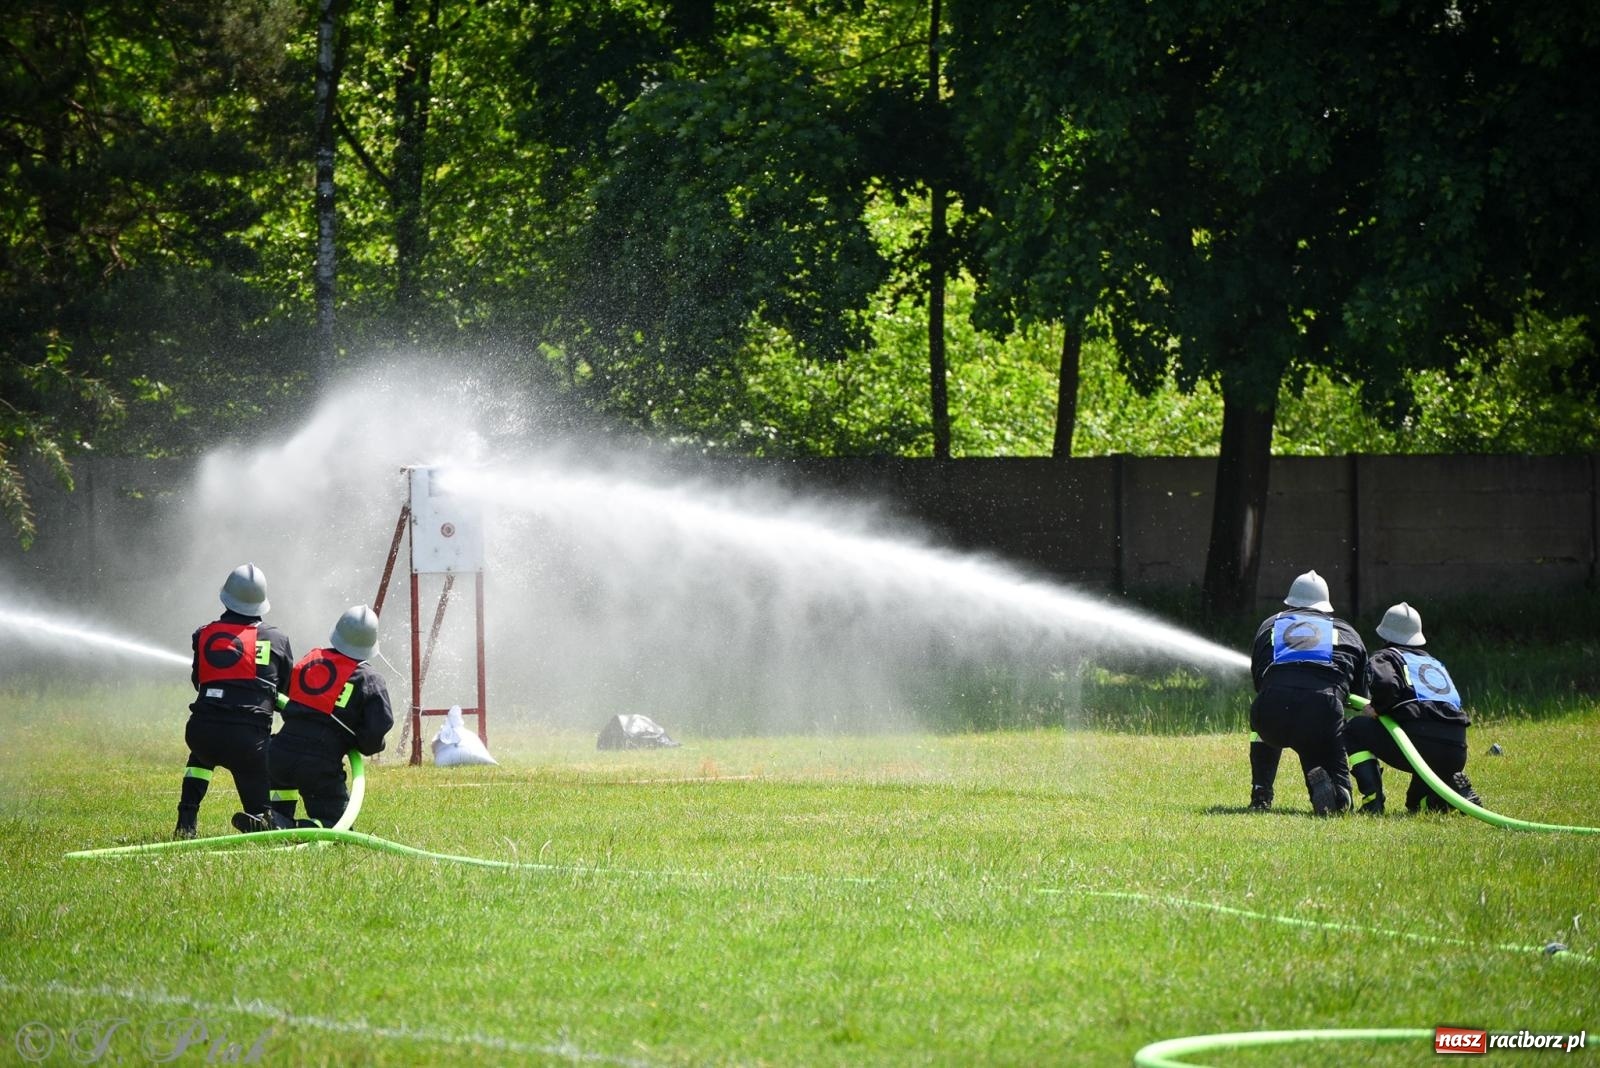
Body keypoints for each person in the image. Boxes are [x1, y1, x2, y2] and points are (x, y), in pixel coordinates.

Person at [246, 604, 393, 831]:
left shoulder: (311, 661)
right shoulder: (369, 680)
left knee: (279, 805)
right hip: (318, 764)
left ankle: (274, 820)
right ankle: (290, 825)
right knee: (338, 828)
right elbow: (375, 732)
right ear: (371, 643)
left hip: (279, 754)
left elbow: (289, 699)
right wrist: (360, 743)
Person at [175, 564, 295, 838]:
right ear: (261, 604)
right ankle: (266, 818)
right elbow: (285, 688)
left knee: (201, 756)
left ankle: (186, 821)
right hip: (248, 744)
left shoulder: (203, 634)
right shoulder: (277, 639)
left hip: (201, 733)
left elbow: (199, 681)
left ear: (225, 597)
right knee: (262, 818)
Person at [1248, 569, 1368, 815]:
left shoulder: (1271, 624)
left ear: (1290, 601)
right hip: (1323, 711)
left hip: (1272, 711)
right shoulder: (1348, 632)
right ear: (1326, 604)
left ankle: (1261, 792)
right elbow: (1359, 695)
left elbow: (1259, 681)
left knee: (1261, 720)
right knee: (1320, 739)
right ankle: (1339, 793)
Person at [1344, 602, 1481, 814]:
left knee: (1353, 729)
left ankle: (1373, 801)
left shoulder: (1386, 657)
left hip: (1420, 743)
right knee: (1416, 806)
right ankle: (1454, 794)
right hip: (1456, 750)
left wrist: (1378, 708)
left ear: (1385, 633)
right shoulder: (1434, 663)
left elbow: (1387, 685)